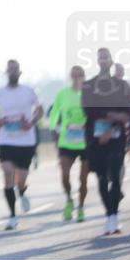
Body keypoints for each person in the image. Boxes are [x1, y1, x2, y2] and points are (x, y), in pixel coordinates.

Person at [82, 48, 130, 236]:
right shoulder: (89, 85)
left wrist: (112, 126)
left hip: (117, 137)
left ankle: (114, 217)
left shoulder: (121, 86)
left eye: (106, 58)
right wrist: (111, 115)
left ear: (111, 61)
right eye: (100, 58)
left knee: (115, 172)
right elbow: (88, 110)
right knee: (102, 178)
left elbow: (128, 111)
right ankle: (108, 215)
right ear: (97, 62)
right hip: (95, 139)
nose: (103, 61)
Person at [0, 60, 43, 230]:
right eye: (9, 70)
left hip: (26, 141)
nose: (12, 72)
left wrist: (32, 121)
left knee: (21, 177)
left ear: (19, 73)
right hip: (6, 140)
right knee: (8, 172)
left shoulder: (29, 91)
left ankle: (22, 191)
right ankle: (13, 216)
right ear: (6, 73)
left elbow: (40, 109)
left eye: (15, 70)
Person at [49, 65, 91, 221]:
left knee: (83, 179)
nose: (77, 78)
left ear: (84, 77)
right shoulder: (63, 94)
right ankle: (69, 200)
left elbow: (95, 114)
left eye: (80, 75)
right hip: (66, 141)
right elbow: (54, 113)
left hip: (85, 142)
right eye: (74, 75)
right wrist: (54, 129)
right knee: (65, 175)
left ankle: (81, 207)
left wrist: (87, 126)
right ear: (70, 77)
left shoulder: (89, 95)